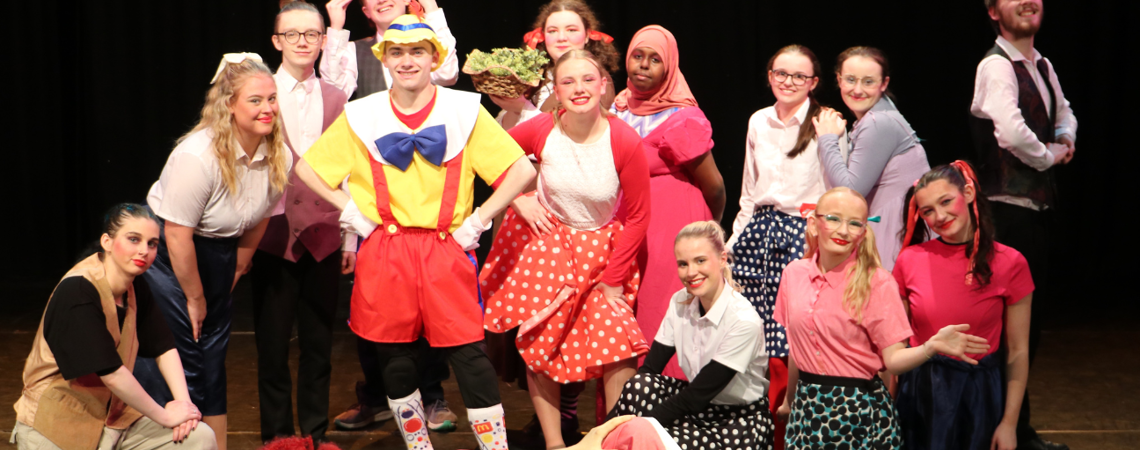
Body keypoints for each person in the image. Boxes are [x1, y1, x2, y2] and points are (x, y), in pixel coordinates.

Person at [295, 15, 536, 450]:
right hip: (385, 247)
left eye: (417, 51)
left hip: (446, 248)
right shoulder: (362, 115)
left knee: (468, 353)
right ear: (384, 59)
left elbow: (520, 170)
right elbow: (307, 170)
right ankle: (417, 446)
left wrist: (479, 220)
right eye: (397, 52)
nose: (407, 61)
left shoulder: (462, 111)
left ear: (434, 57)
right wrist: (352, 213)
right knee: (395, 356)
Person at [481, 49, 651, 450]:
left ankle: (613, 440)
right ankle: (556, 444)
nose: (579, 89)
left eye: (588, 80)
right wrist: (518, 197)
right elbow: (488, 155)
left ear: (604, 84)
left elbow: (640, 217)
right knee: (542, 337)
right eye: (568, 81)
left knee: (617, 344)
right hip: (551, 245)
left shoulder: (623, 139)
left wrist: (612, 282)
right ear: (555, 90)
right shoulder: (542, 128)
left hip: (603, 250)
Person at [137, 53, 291, 450]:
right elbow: (176, 233)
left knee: (213, 359)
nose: (267, 108)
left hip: (219, 256)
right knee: (184, 353)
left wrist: (238, 265)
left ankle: (215, 446)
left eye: (271, 98)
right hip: (170, 261)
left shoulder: (278, 153)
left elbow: (260, 217)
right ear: (230, 105)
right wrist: (195, 296)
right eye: (255, 100)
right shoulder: (197, 156)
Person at [323, 0, 462, 431]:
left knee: (431, 309)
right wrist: (335, 26)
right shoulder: (356, 50)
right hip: (375, 205)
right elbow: (331, 88)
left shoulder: (426, 50)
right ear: (364, 6)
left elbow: (450, 71)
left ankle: (433, 396)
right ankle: (376, 397)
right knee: (372, 309)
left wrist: (433, 11)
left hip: (426, 202)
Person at [774, 187, 990, 449]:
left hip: (857, 412)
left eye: (854, 223)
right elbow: (798, 348)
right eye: (833, 219)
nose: (843, 230)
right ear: (813, 224)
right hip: (807, 411)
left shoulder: (877, 282)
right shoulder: (793, 274)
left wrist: (930, 347)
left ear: (863, 232)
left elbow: (893, 361)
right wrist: (790, 399)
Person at [13, 204, 215, 450]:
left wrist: (184, 406)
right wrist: (165, 416)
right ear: (107, 242)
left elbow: (164, 346)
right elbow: (113, 374)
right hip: (58, 423)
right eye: (133, 239)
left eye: (152, 243)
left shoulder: (135, 286)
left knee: (199, 437)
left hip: (112, 420)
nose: (144, 251)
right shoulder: (78, 291)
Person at [968, 2, 1075, 448]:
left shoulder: (1040, 63)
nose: (1028, 2)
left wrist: (1066, 137)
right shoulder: (996, 66)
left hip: (1033, 210)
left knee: (1025, 329)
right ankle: (1006, 430)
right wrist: (1049, 155)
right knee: (1010, 330)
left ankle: (1013, 427)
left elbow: (1064, 110)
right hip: (1007, 211)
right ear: (994, 12)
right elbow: (1010, 132)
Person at [726, 44, 840, 450]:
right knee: (753, 339)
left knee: (792, 339)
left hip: (802, 235)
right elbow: (748, 191)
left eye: (799, 76)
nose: (788, 82)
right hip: (759, 232)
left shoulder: (827, 123)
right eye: (781, 73)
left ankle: (789, 432)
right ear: (770, 74)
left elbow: (836, 186)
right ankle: (752, 432)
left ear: (813, 82)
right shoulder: (759, 121)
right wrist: (734, 241)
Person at [250, 2, 351, 444]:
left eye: (311, 34)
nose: (303, 42)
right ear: (277, 41)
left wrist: (349, 238)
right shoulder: (258, 92)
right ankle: (277, 435)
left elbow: (350, 173)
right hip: (272, 237)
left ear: (323, 40)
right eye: (293, 34)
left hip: (325, 237)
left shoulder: (337, 97)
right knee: (272, 346)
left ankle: (314, 433)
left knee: (318, 345)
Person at [893, 162, 1034, 450]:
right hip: (922, 396)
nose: (940, 216)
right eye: (928, 211)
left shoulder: (1010, 262)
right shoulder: (910, 260)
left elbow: (1018, 351)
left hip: (978, 397)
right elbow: (896, 346)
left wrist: (1009, 423)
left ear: (968, 193)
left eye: (946, 201)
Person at [611, 25, 724, 382]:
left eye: (655, 59)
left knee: (664, 308)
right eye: (637, 56)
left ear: (670, 66)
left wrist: (709, 229)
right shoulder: (618, 108)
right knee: (626, 308)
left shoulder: (682, 117)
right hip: (628, 220)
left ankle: (668, 407)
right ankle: (625, 414)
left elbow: (715, 185)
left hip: (673, 223)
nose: (643, 66)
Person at [612, 221, 775, 450]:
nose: (691, 272)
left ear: (722, 259)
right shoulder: (680, 300)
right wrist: (609, 431)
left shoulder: (743, 320)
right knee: (640, 385)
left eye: (700, 261)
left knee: (649, 440)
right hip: (695, 406)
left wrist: (638, 429)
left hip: (737, 421)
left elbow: (697, 395)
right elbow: (649, 370)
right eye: (682, 264)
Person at [814, 47, 930, 271]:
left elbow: (850, 191)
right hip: (890, 226)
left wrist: (827, 139)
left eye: (868, 82)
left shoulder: (878, 122)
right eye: (850, 80)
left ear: (884, 84)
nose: (857, 90)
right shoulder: (879, 116)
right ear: (838, 79)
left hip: (892, 231)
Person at [491, 0, 620, 130]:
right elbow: (506, 133)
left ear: (586, 35)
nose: (561, 37)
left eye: (571, 30)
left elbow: (568, 136)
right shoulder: (539, 76)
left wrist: (522, 108)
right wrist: (513, 109)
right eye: (552, 31)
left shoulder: (596, 79)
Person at [321, 0, 458, 99]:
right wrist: (336, 28)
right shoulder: (354, 50)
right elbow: (335, 92)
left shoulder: (426, 45)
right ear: (366, 12)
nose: (381, 0)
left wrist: (431, 7)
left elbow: (447, 74)